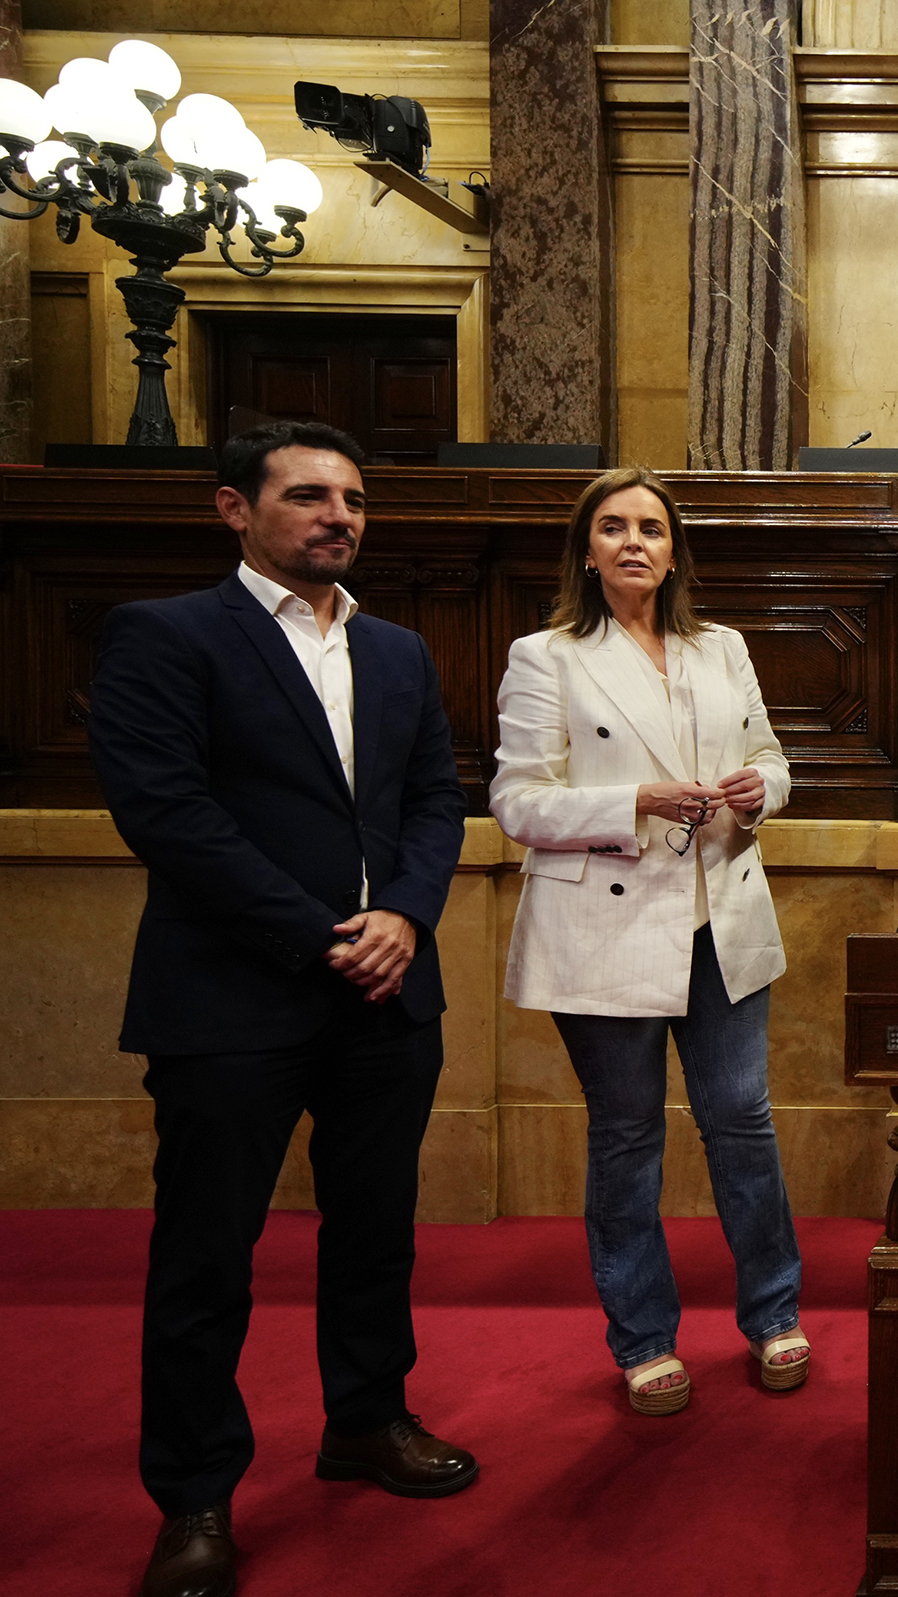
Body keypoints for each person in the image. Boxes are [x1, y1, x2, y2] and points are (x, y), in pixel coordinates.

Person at [86, 421, 477, 1597]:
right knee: (208, 1256)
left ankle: (365, 1419)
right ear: (233, 509)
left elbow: (435, 800)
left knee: (376, 1231)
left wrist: (405, 914)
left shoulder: (400, 650)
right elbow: (167, 813)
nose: (337, 516)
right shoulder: (164, 635)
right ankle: (196, 1492)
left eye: (352, 499)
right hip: (231, 997)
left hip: (388, 992)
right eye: (307, 495)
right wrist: (322, 935)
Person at [491, 466, 804, 1418]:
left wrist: (760, 793)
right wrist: (634, 800)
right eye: (616, 528)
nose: (636, 543)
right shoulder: (547, 656)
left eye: (653, 529)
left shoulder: (722, 648)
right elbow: (516, 803)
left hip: (722, 914)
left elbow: (770, 757)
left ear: (675, 551)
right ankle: (643, 1338)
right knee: (626, 1136)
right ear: (587, 550)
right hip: (607, 926)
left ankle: (774, 1312)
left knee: (741, 1120)